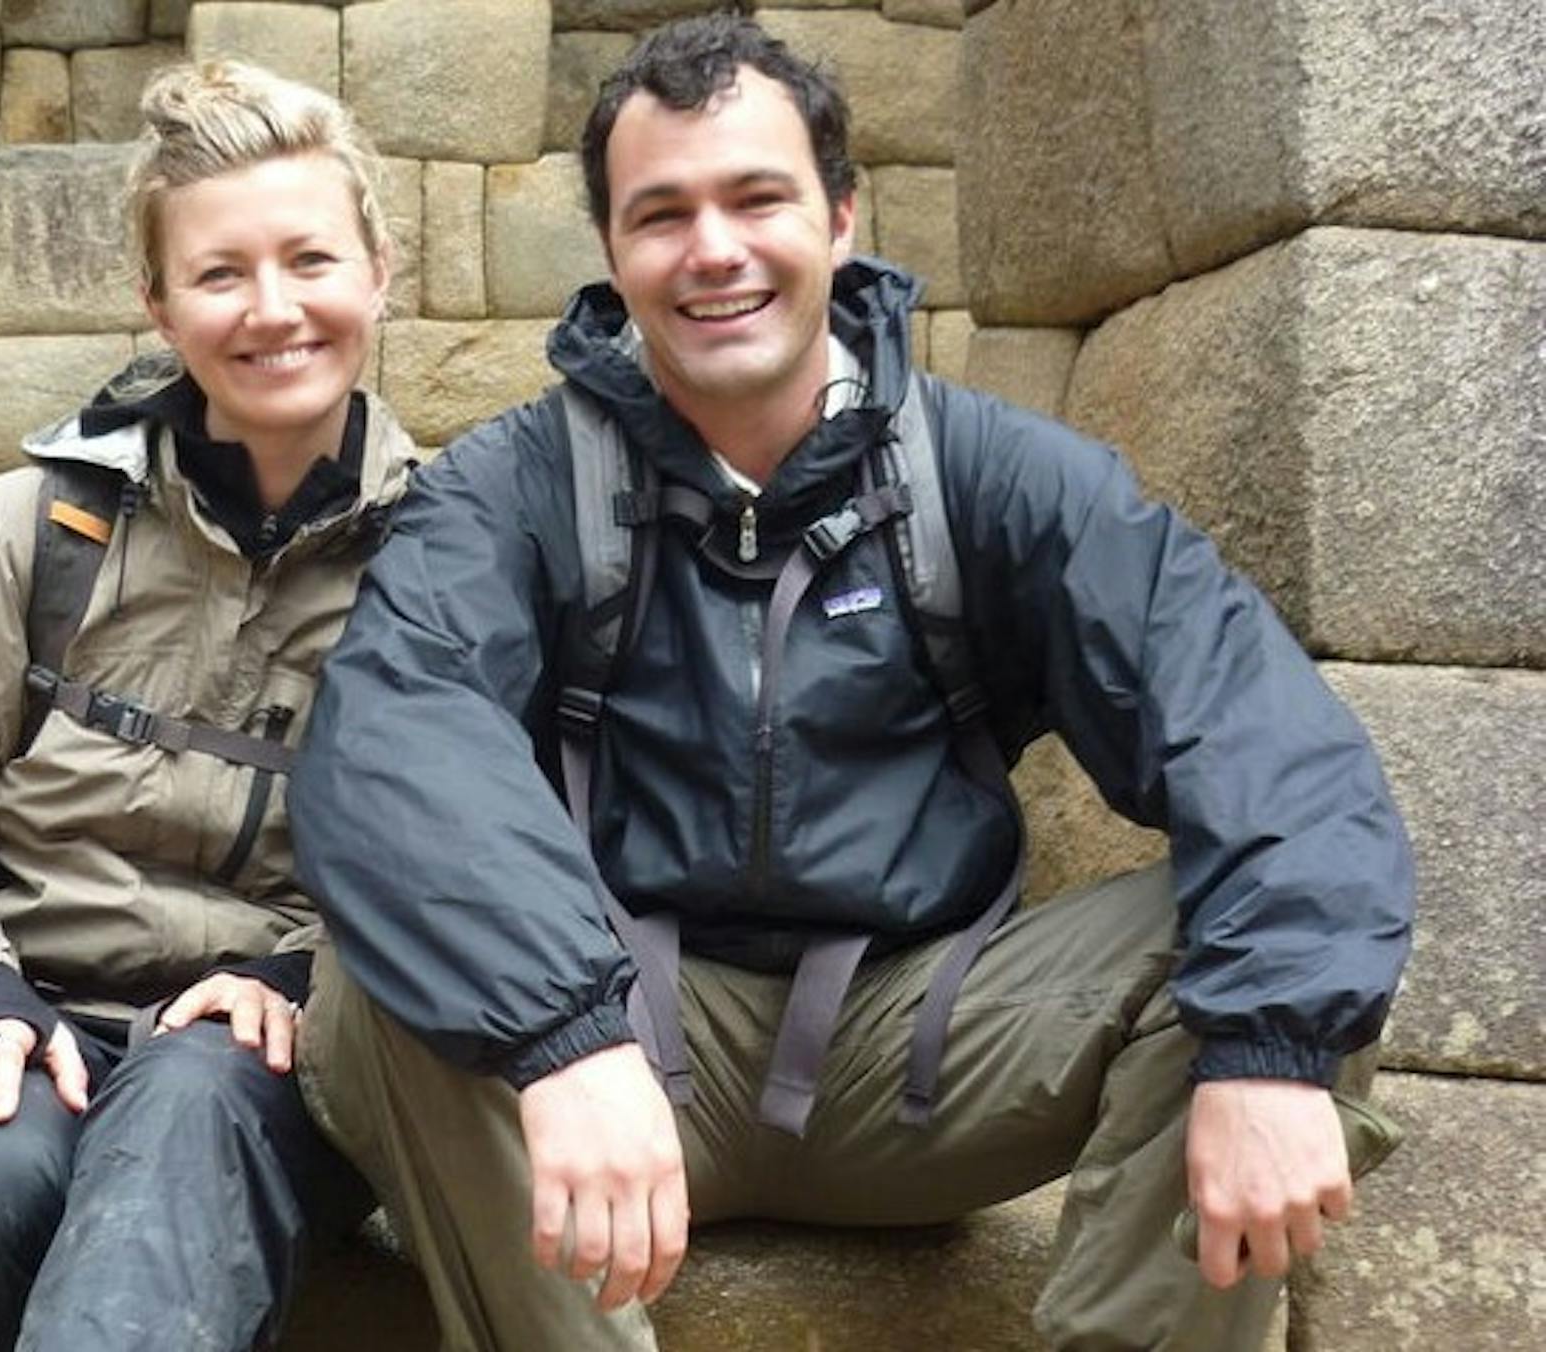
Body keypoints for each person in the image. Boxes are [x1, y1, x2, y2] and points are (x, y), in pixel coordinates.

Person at [286, 14, 1412, 1351]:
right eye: (662, 214)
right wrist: (560, 1035)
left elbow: (1263, 739)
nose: (713, 249)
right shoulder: (511, 489)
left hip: (923, 1058)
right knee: (389, 970)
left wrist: (1273, 1049)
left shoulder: (990, 475)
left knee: (1272, 938)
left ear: (839, 216)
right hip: (630, 1041)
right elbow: (398, 745)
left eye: (756, 198)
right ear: (612, 250)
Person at [0, 60, 409, 1352]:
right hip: (34, 1015)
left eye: (310, 260)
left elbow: (476, 868)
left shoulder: (446, 562)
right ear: (159, 304)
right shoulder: (31, 533)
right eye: (219, 273)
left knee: (183, 1140)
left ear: (379, 272)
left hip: (277, 1050)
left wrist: (311, 977)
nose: (272, 310)